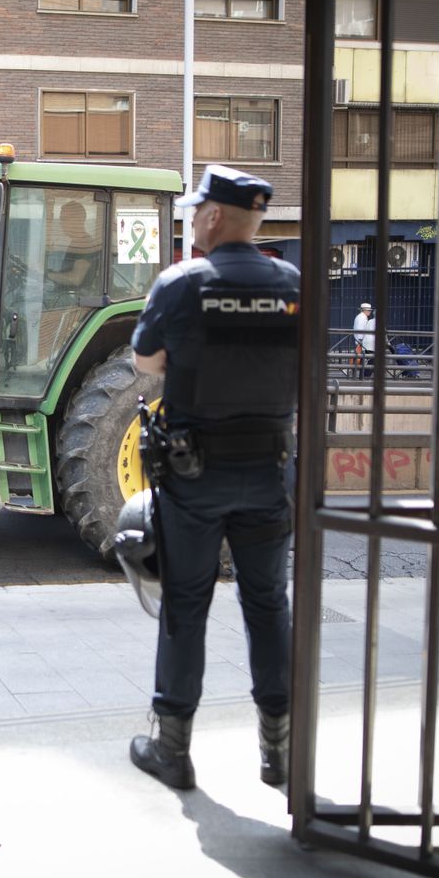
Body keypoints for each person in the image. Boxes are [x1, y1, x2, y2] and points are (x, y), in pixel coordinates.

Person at [127, 165, 299, 791]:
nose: (193, 217)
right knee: (267, 606)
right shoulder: (293, 286)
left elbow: (146, 363)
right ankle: (278, 754)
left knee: (186, 605)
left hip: (195, 475)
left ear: (213, 217)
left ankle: (172, 751)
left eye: (197, 209)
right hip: (269, 473)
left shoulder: (181, 283)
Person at [352, 301, 375, 378]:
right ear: (364, 310)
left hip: (361, 342)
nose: (370, 312)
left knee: (363, 360)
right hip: (361, 342)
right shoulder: (362, 318)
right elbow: (360, 331)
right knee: (367, 359)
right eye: (369, 310)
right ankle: (364, 376)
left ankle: (362, 375)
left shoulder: (361, 317)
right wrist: (361, 342)